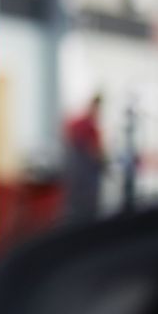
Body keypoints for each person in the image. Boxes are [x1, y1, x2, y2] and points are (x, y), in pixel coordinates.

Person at [62, 94, 106, 222]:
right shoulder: (85, 125)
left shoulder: (83, 124)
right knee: (85, 206)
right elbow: (93, 150)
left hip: (80, 172)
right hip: (84, 173)